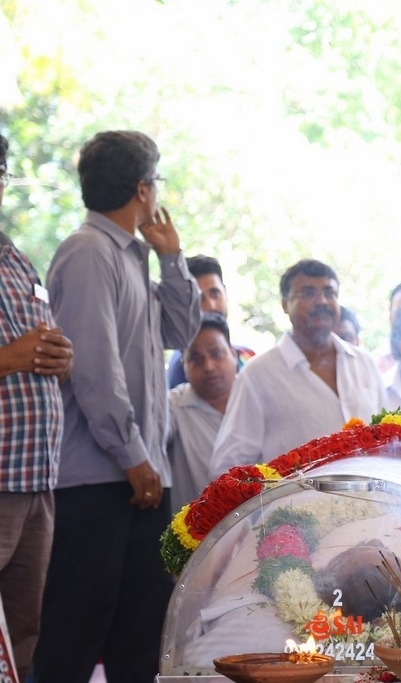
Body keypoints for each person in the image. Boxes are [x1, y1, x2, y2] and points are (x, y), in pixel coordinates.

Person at [36, 130, 200, 682]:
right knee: (74, 640)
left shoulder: (133, 256)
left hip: (138, 473)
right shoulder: (88, 251)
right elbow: (94, 371)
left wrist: (172, 259)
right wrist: (133, 458)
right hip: (100, 480)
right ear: (143, 188)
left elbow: (180, 331)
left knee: (140, 639)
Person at [0, 133, 74, 682]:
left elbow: (40, 348)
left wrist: (61, 358)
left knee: (22, 632)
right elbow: (16, 354)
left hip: (36, 478)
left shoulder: (17, 261)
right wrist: (10, 358)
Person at [209, 259, 385, 475]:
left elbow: (388, 439)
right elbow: (227, 466)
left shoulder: (364, 363)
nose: (322, 301)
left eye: (329, 293)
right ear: (284, 304)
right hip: (295, 497)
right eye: (308, 293)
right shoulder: (258, 375)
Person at [167, 312, 238, 512]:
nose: (208, 366)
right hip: (198, 529)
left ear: (233, 354)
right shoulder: (173, 406)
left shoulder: (258, 397)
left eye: (216, 354)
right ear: (184, 365)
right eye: (196, 358)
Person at [166, 255, 255, 388]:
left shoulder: (247, 357)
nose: (211, 305)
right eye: (199, 299)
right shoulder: (184, 367)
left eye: (215, 293)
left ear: (225, 293)